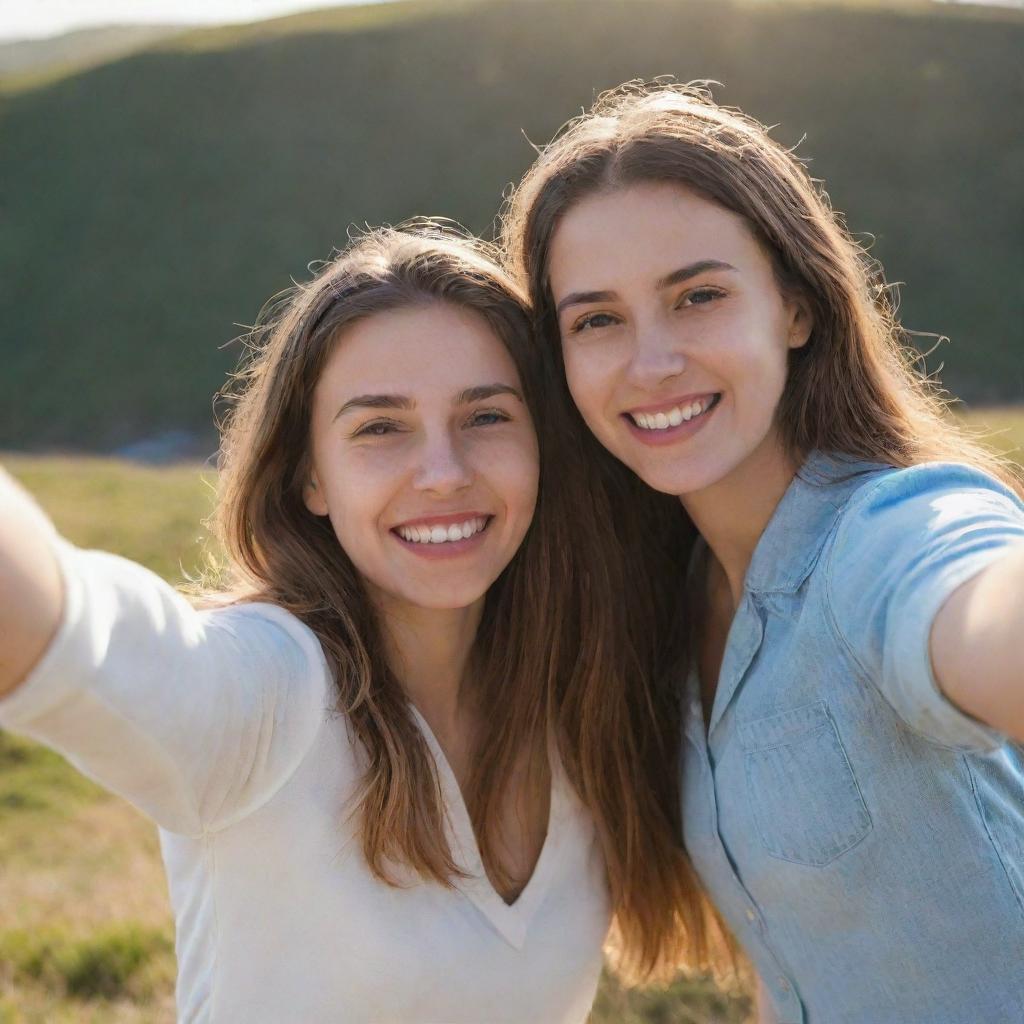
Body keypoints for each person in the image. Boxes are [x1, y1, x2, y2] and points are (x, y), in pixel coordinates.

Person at [0, 225, 700, 1022]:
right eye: (379, 427)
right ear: (309, 476)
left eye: (487, 417)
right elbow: (63, 624)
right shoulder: (268, 695)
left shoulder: (582, 697)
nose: (443, 474)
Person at [501, 81, 1024, 1024]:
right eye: (597, 320)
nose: (651, 363)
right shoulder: (670, 595)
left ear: (796, 306)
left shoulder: (888, 533)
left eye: (697, 296)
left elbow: (975, 600)